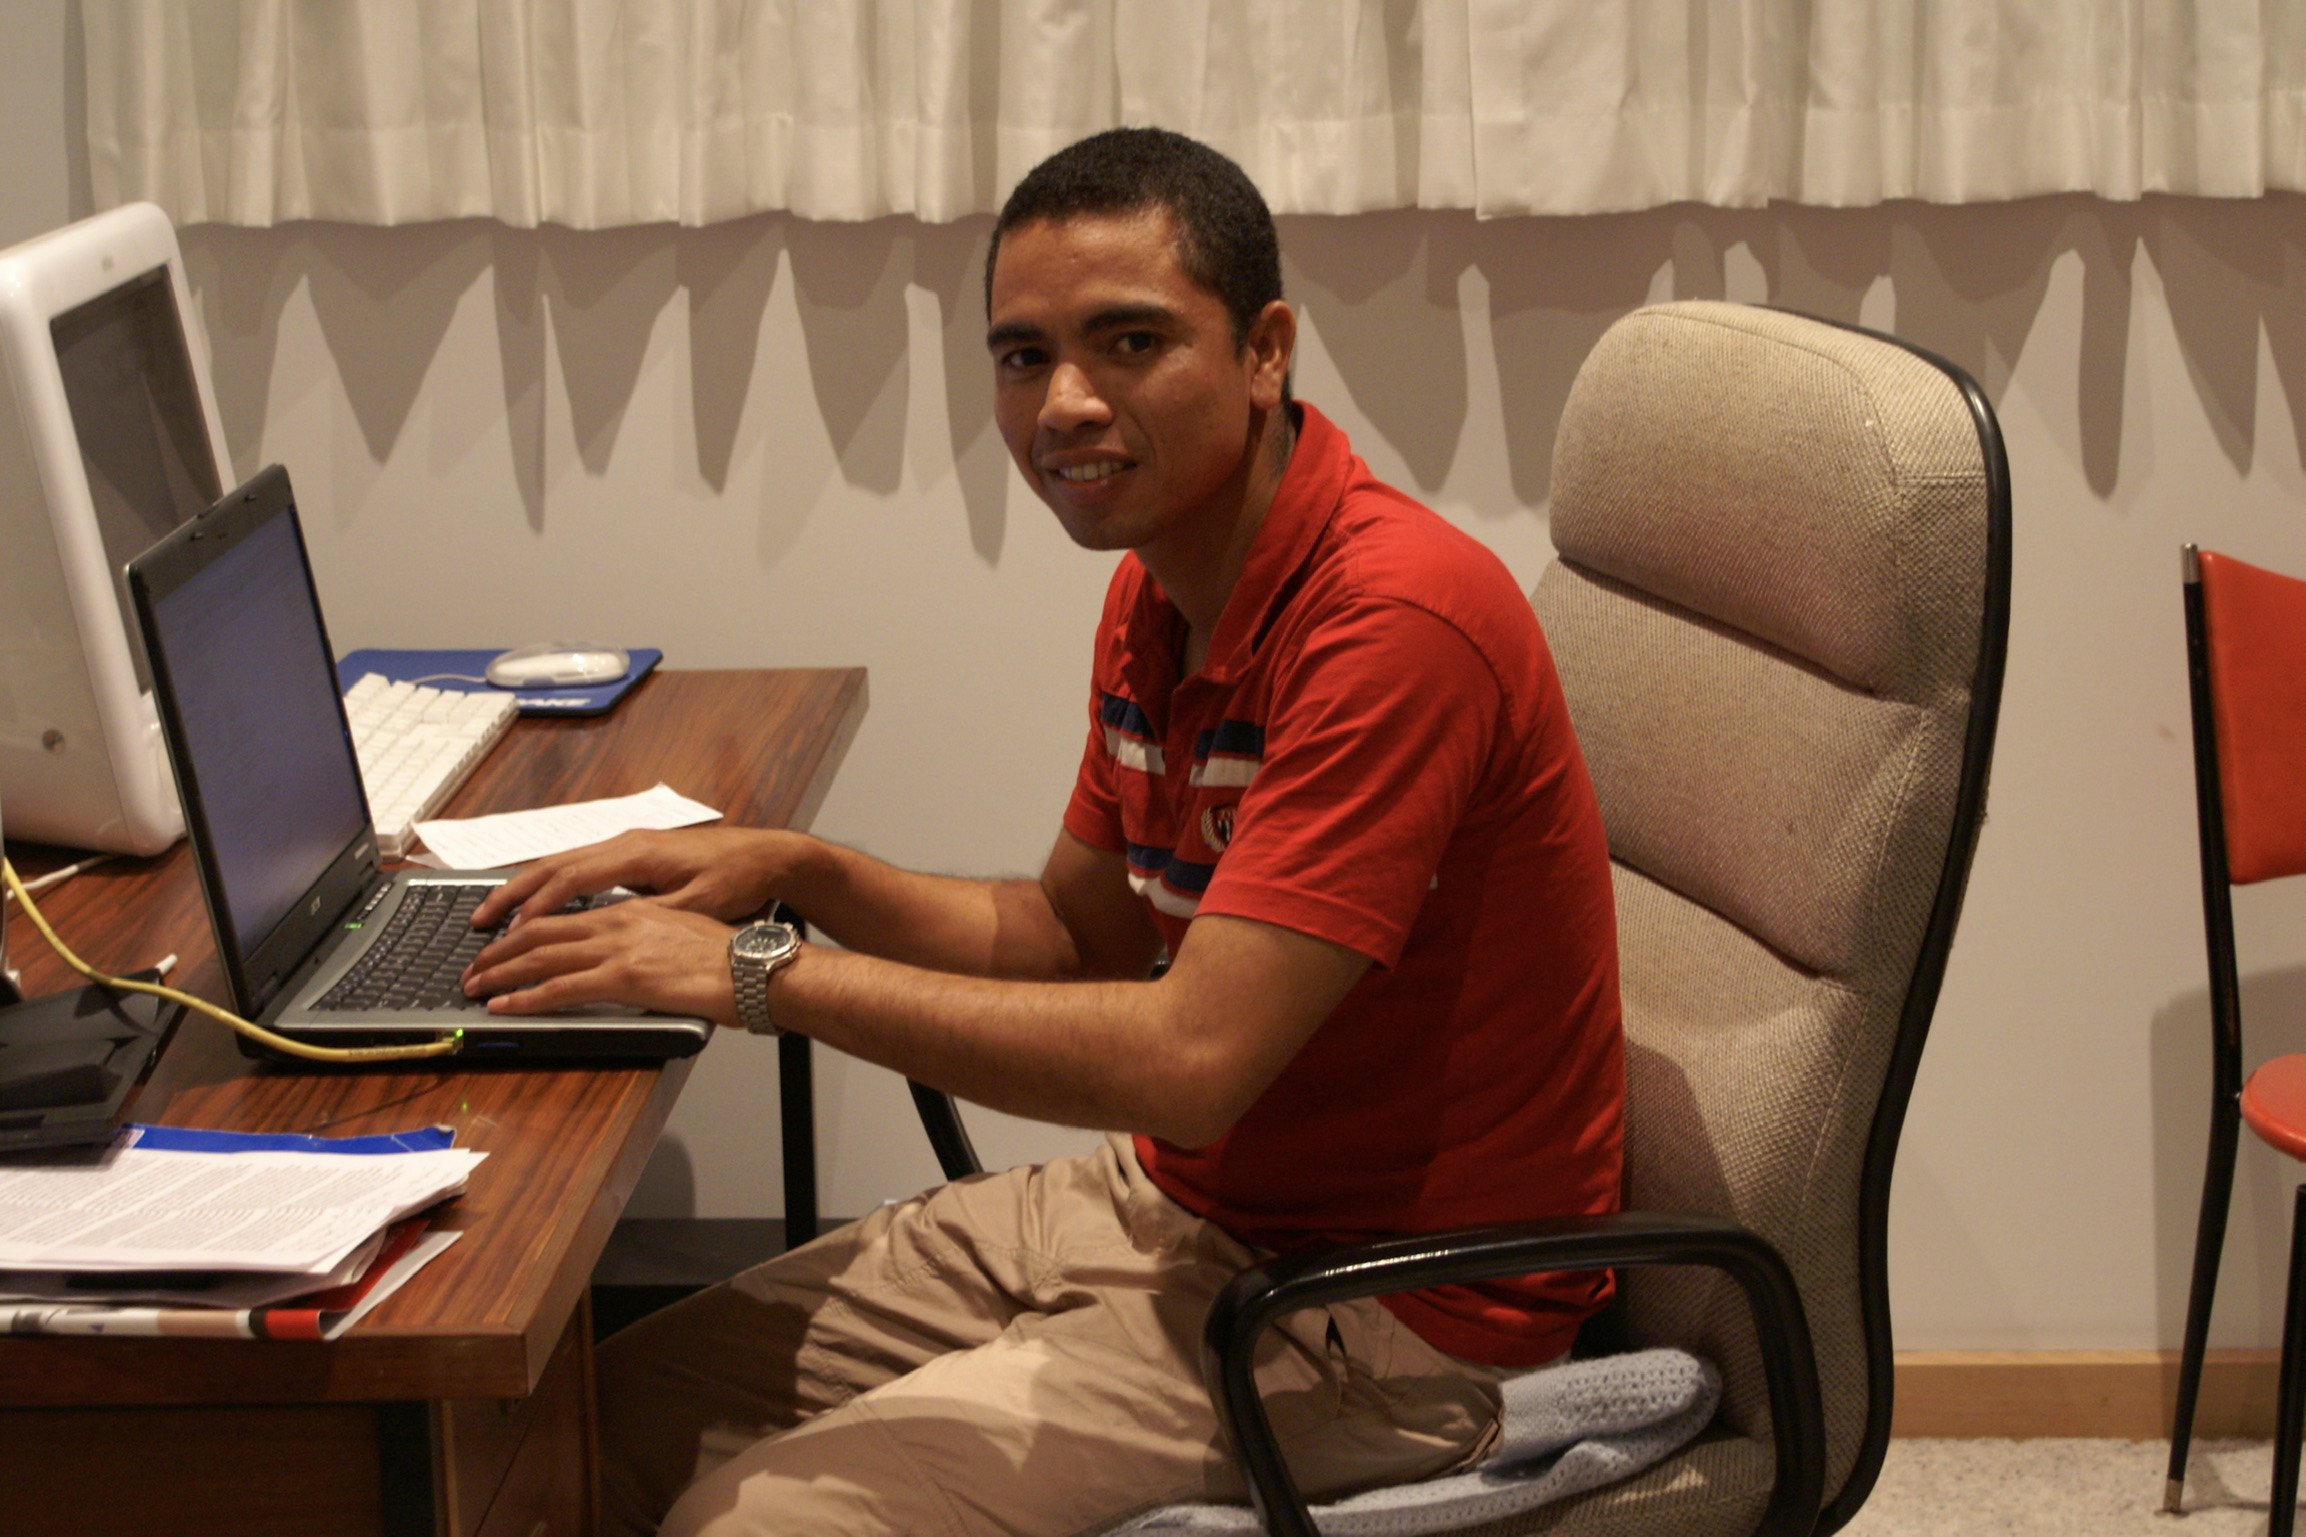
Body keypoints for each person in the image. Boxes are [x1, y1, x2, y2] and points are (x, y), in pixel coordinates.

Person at [462, 125, 1624, 1537]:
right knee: (575, 1429)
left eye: (1128, 342)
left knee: (752, 1523)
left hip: (1383, 1314)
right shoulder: (1164, 585)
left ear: (1266, 352)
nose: (1065, 402)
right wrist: (798, 871)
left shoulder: (1392, 625)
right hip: (1172, 1207)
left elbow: (1191, 1061)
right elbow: (1079, 935)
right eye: (1024, 356)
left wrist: (758, 974)